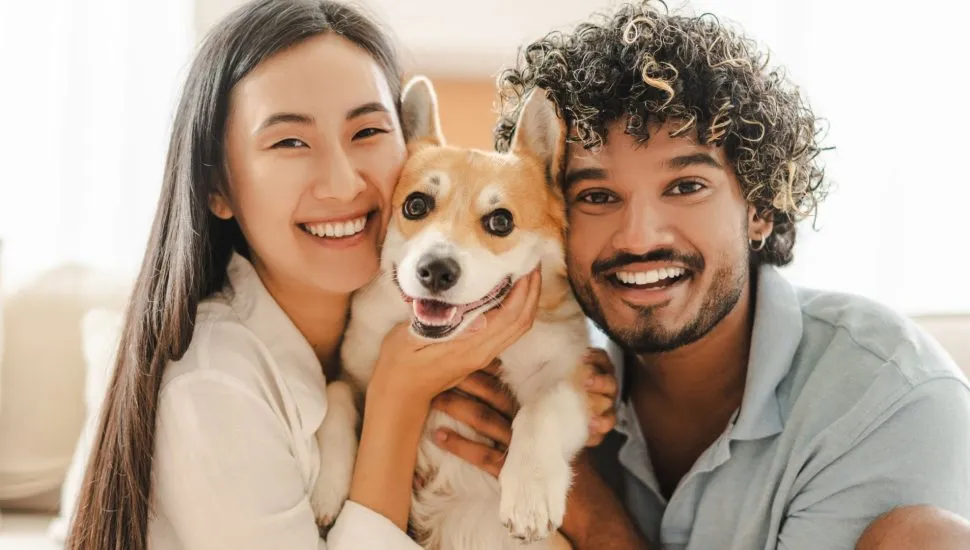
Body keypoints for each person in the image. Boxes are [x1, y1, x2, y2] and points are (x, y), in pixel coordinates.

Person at [63, 1, 617, 549]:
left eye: (367, 131)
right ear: (217, 187)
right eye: (289, 141)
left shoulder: (372, 333)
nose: (342, 183)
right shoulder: (213, 388)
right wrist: (397, 394)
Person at [431, 2, 970, 549]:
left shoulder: (887, 402)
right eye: (597, 195)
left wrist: (593, 516)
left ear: (759, 207)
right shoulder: (542, 379)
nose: (638, 237)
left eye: (686, 186)